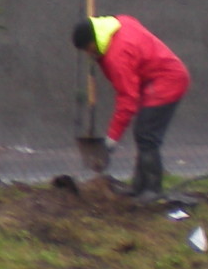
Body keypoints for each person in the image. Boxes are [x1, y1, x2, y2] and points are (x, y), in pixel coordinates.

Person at [74, 14, 189, 202]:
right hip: (160, 77)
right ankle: (139, 186)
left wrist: (112, 139)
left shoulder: (117, 56)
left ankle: (152, 189)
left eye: (88, 49)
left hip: (167, 81)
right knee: (143, 133)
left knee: (147, 136)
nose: (88, 54)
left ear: (93, 42)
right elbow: (133, 22)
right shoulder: (118, 24)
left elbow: (128, 100)